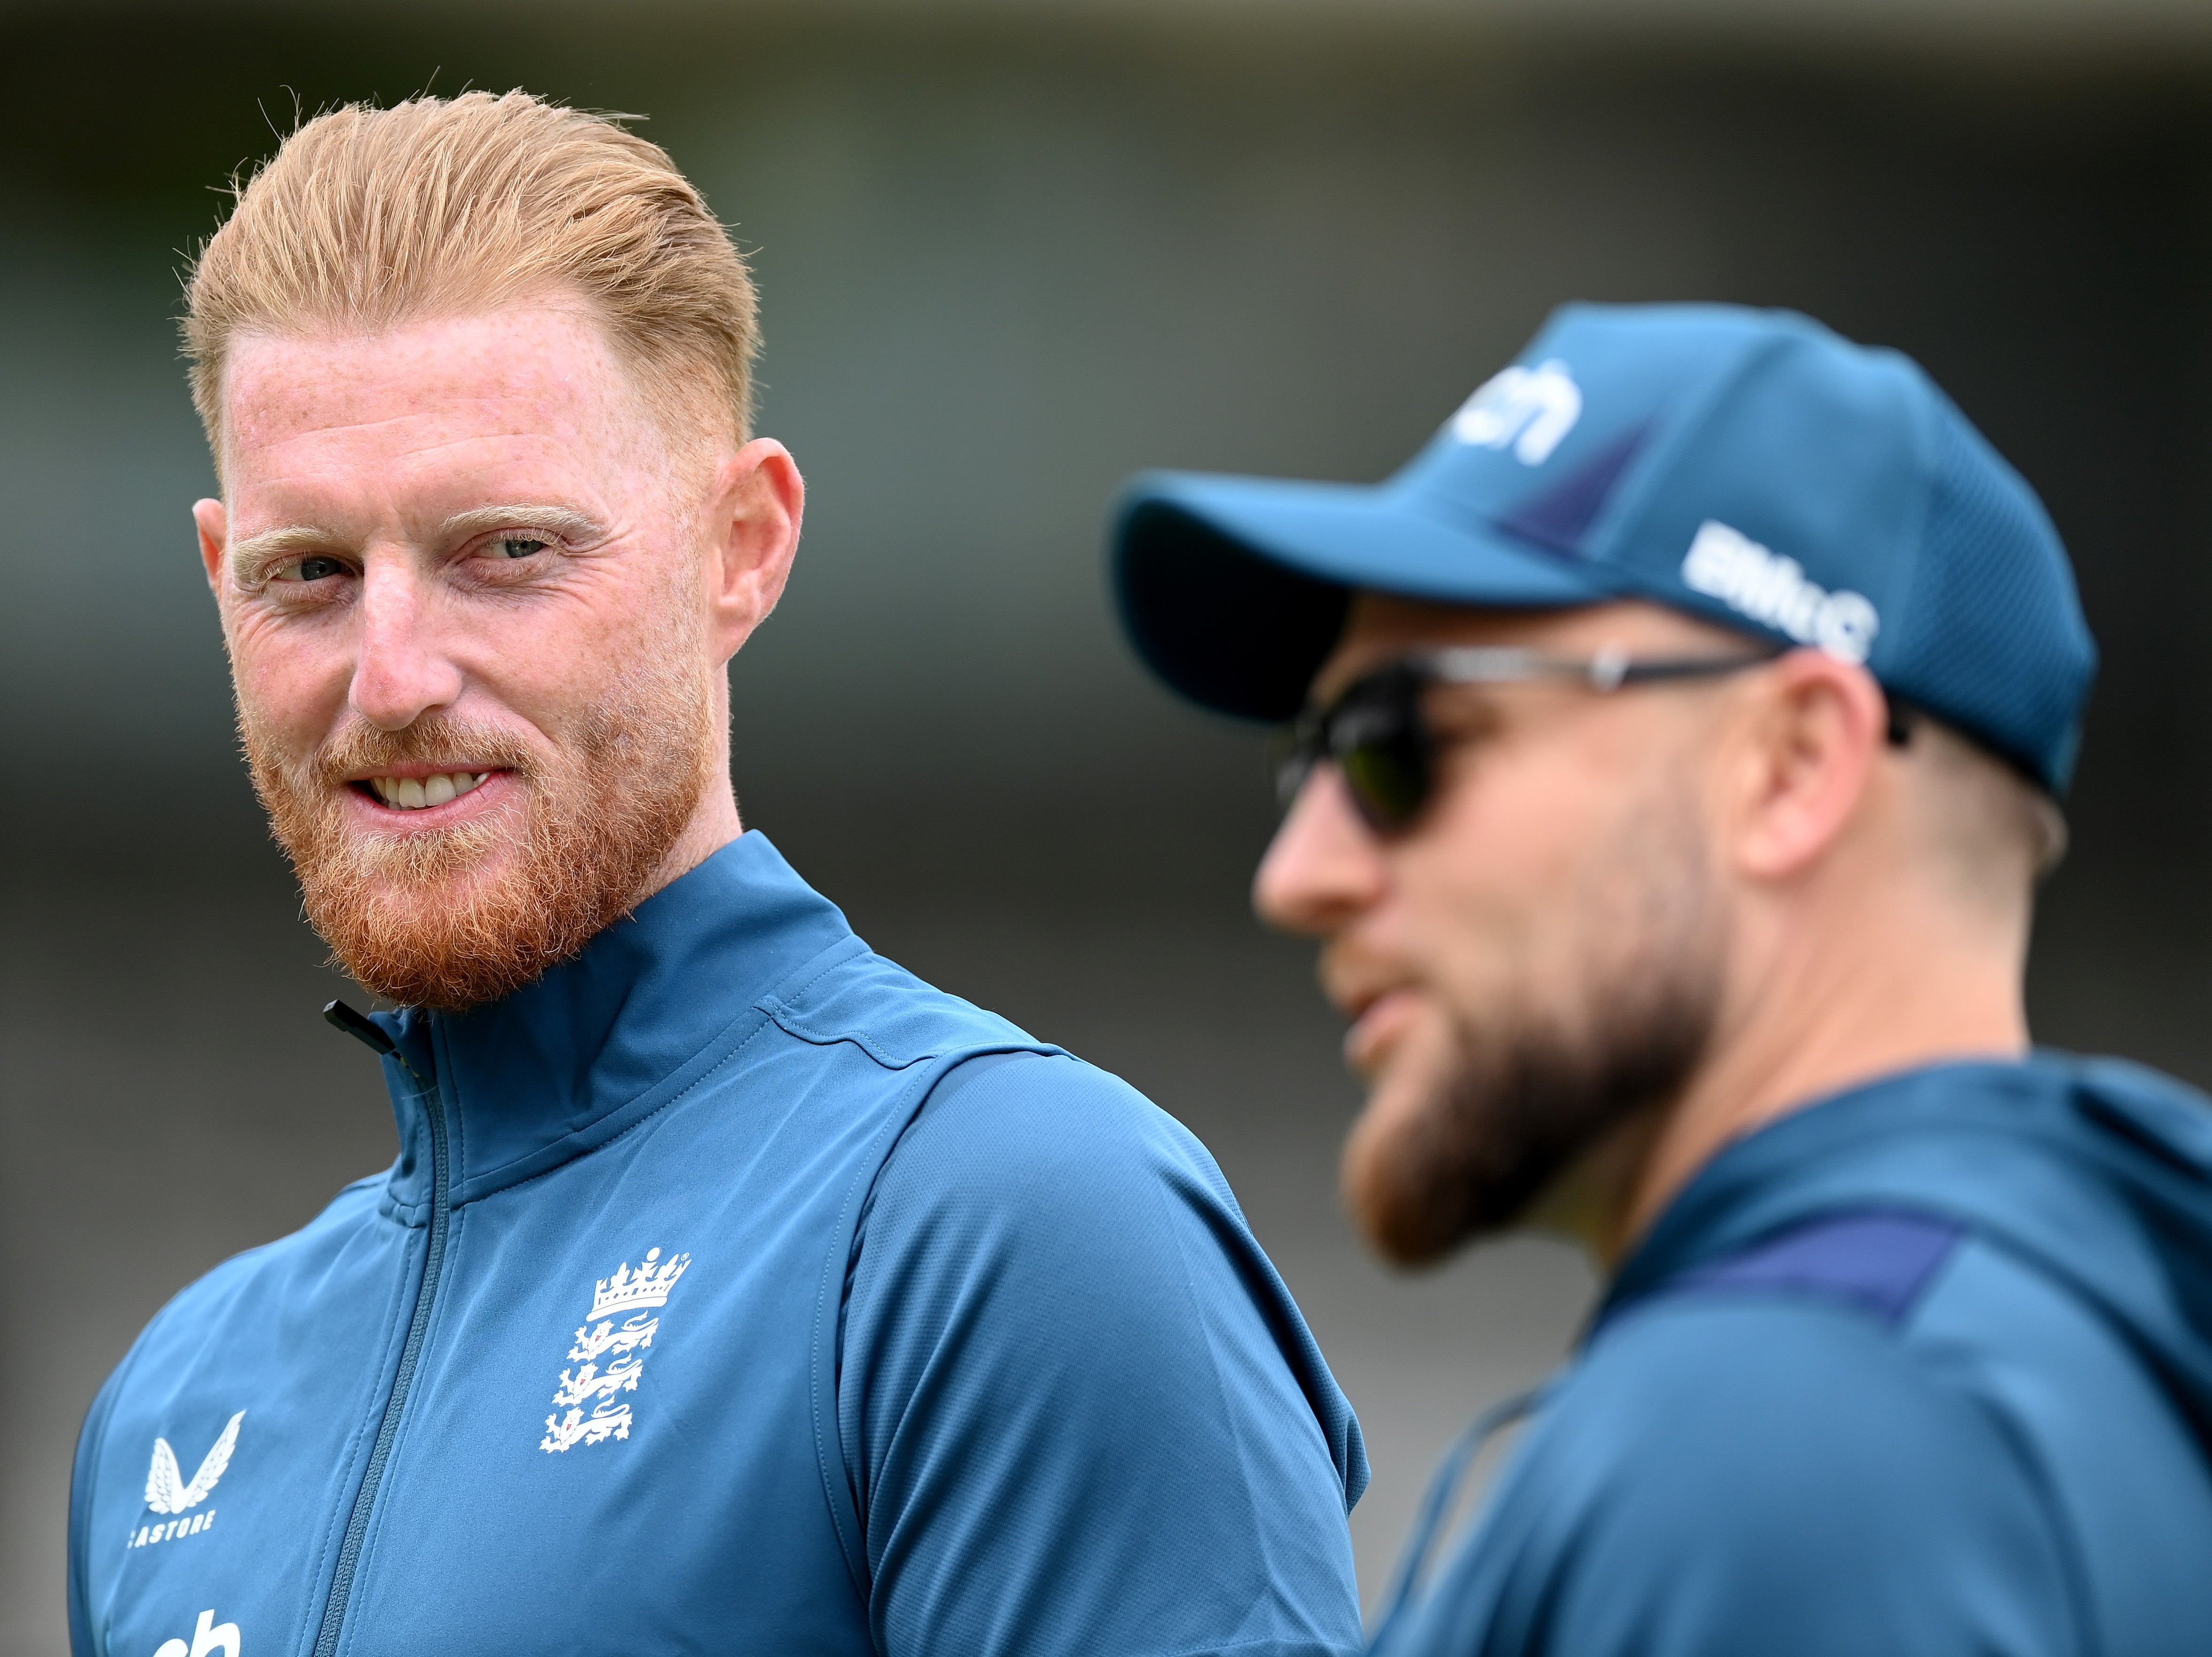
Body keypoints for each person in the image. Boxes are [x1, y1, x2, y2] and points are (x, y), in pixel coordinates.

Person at [67, 91, 1368, 1657]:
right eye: (311, 575)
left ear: (740, 544)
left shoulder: (1006, 1223)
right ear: (221, 580)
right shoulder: (174, 1406)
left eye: (507, 551)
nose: (391, 673)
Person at [1111, 302, 2212, 1656]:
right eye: (1310, 756)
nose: (1299, 873)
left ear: (1791, 766)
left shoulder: (1789, 1437)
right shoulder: (2070, 1348)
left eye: (1400, 741)